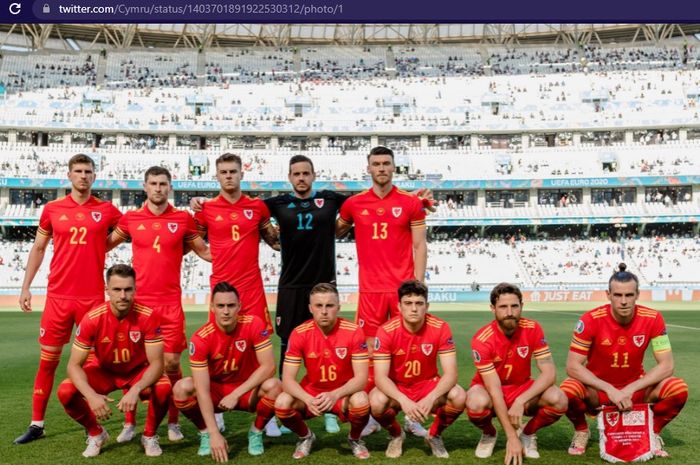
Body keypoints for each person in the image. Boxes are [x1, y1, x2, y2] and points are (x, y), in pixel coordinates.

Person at [14, 153, 122, 445]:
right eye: (78, 171)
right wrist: (25, 287)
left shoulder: (107, 210)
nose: (83, 175)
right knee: (47, 362)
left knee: (101, 362)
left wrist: (103, 245)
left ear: (94, 176)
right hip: (58, 298)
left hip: (92, 300)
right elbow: (38, 248)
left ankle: (107, 422)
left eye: (88, 171)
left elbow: (128, 229)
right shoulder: (51, 209)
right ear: (69, 175)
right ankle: (37, 424)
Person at [108, 166, 211, 443]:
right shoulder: (130, 219)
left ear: (170, 187)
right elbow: (103, 245)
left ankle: (174, 422)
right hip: (138, 304)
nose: (158, 188)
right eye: (153, 183)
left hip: (169, 304)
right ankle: (130, 422)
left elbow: (204, 252)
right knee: (133, 364)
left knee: (172, 362)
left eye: (163, 183)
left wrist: (238, 252)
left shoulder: (182, 219)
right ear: (145, 186)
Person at [336, 146, 429, 438]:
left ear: (394, 167)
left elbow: (419, 245)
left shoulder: (411, 203)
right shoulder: (353, 204)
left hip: (402, 291)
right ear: (369, 168)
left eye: (386, 163)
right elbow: (335, 230)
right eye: (376, 164)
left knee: (409, 350)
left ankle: (413, 414)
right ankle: (374, 415)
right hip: (371, 292)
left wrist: (419, 284)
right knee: (370, 353)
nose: (381, 168)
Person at [561, 263, 688, 458]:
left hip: (635, 390)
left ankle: (651, 433)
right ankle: (581, 430)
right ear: (608, 295)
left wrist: (630, 389)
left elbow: (667, 365)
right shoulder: (590, 320)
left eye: (629, 295)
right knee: (567, 390)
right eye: (618, 295)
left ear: (637, 294)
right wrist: (610, 390)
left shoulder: (653, 318)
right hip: (599, 391)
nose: (623, 301)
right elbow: (572, 366)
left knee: (677, 388)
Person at [263, 155, 348, 434]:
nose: (301, 178)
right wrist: (270, 236)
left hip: (324, 283)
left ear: (314, 175)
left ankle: (330, 409)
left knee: (329, 348)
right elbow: (246, 212)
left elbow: (367, 202)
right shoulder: (276, 204)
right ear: (289, 177)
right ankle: (282, 409)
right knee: (289, 346)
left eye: (306, 173)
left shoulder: (331, 199)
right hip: (291, 286)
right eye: (296, 174)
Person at [56, 264, 171, 457]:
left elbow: (158, 364)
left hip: (137, 372)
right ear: (107, 289)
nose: (123, 296)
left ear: (135, 289)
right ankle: (96, 434)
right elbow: (73, 365)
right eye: (117, 289)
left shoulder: (148, 316)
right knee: (66, 391)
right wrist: (91, 395)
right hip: (104, 372)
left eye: (128, 289)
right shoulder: (92, 319)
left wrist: (136, 389)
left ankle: (149, 435)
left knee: (164, 387)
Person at [173, 281, 281, 462]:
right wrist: (214, 432)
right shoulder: (201, 338)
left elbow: (269, 366)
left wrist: (237, 394)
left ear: (239, 306)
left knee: (275, 386)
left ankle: (256, 432)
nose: (226, 311)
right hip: (217, 392)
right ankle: (205, 433)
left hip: (247, 391)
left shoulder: (254, 323)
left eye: (231, 305)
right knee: (181, 388)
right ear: (212, 308)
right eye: (220, 306)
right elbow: (202, 389)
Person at [467, 283, 567, 464]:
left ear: (522, 306)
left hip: (521, 387)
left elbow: (549, 373)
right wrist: (511, 436)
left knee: (558, 398)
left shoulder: (533, 328)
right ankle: (490, 434)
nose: (509, 312)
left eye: (514, 306)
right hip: (489, 389)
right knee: (476, 403)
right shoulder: (482, 339)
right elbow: (494, 387)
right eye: (503, 307)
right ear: (492, 309)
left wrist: (521, 400)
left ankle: (528, 433)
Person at [274, 283, 371, 459]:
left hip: (342, 393)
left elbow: (362, 379)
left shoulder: (354, 331)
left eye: (330, 305)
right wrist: (307, 399)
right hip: (312, 393)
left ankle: (355, 439)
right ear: (310, 308)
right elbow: (287, 380)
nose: (324, 311)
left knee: (361, 399)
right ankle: (306, 437)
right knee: (282, 402)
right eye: (319, 306)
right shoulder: (299, 333)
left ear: (338, 307)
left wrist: (335, 394)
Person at [369, 280, 465, 459]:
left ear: (427, 306)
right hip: (397, 386)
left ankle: (434, 435)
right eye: (408, 303)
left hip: (427, 384)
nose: (414, 309)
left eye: (419, 303)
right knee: (376, 401)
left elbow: (451, 373)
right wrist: (403, 400)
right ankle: (397, 435)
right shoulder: (386, 331)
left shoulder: (440, 327)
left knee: (458, 395)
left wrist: (431, 397)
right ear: (399, 306)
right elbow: (380, 377)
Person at [194, 153, 278, 332]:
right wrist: (209, 254)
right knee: (221, 342)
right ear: (217, 176)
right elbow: (193, 241)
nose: (228, 175)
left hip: (251, 287)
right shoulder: (206, 208)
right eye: (223, 172)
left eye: (233, 171)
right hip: (222, 288)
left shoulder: (257, 206)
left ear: (242, 174)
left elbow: (274, 242)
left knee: (258, 342)